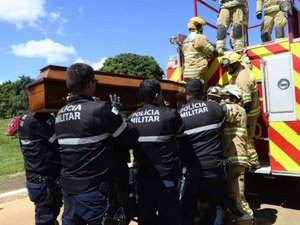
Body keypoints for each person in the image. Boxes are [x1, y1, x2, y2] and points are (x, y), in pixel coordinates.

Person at [54, 63, 139, 225]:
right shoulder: (99, 110)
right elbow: (130, 136)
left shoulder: (60, 114)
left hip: (70, 192)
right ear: (91, 84)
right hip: (95, 195)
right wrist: (118, 112)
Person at [129, 78, 192, 225]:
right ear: (158, 95)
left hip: (143, 181)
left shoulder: (132, 118)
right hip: (167, 179)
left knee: (145, 220)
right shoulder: (170, 115)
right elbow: (185, 145)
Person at [178, 79, 228, 225]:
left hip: (191, 172)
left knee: (189, 208)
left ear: (186, 93)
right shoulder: (214, 108)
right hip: (213, 168)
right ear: (203, 93)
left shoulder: (178, 114)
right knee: (217, 206)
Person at [18, 81, 62, 225]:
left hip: (34, 177)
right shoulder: (39, 119)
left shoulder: (25, 117)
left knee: (46, 216)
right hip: (45, 181)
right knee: (46, 217)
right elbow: (60, 139)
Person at [220, 85, 254, 225]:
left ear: (235, 98)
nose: (222, 101)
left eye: (225, 97)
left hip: (235, 158)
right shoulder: (234, 109)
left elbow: (220, 111)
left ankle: (247, 219)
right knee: (229, 195)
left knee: (236, 195)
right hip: (230, 158)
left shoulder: (237, 109)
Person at [222, 51, 261, 169]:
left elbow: (247, 104)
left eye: (229, 66)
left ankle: (254, 163)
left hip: (249, 113)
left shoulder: (242, 79)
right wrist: (244, 55)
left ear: (236, 64)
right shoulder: (242, 68)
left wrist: (239, 118)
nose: (227, 69)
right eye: (226, 66)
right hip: (251, 110)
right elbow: (247, 63)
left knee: (247, 138)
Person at [182, 16, 219, 84]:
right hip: (198, 72)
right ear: (198, 26)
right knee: (201, 92)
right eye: (201, 26)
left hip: (187, 73)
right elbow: (214, 53)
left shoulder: (185, 42)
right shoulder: (200, 38)